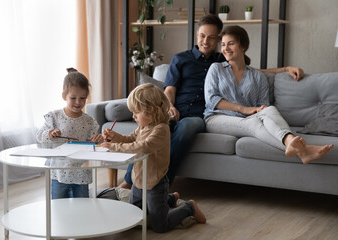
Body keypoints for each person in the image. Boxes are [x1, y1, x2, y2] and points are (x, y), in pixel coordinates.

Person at [119, 14, 305, 189]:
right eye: (202, 36)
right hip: (175, 110)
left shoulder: (221, 59)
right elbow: (169, 90)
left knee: (186, 128)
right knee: (149, 130)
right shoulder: (180, 59)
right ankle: (129, 182)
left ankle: (162, 184)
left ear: (218, 39)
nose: (205, 41)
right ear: (197, 35)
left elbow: (252, 70)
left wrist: (285, 68)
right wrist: (170, 108)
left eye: (211, 37)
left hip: (199, 116)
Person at [204, 25, 334, 164]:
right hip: (217, 118)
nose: (225, 48)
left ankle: (293, 144)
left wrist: (286, 69)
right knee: (253, 123)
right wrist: (244, 109)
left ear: (243, 46)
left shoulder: (258, 76)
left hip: (247, 119)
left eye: (231, 43)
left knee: (270, 109)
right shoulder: (216, 69)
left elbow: (263, 108)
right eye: (223, 44)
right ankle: (303, 150)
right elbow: (212, 100)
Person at [101, 83, 206, 232]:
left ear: (151, 111)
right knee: (133, 217)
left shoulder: (161, 130)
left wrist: (114, 147)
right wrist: (114, 137)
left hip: (155, 183)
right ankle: (170, 198)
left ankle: (189, 208)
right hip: (138, 180)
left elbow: (142, 147)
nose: (133, 116)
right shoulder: (143, 126)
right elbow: (131, 139)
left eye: (137, 112)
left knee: (160, 225)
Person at [36, 68, 104, 199]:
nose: (78, 102)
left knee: (82, 205)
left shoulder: (89, 121)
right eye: (73, 98)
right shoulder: (54, 117)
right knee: (58, 205)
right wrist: (49, 133)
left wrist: (98, 139)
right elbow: (39, 136)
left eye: (82, 98)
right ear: (64, 96)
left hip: (82, 173)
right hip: (59, 173)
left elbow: (94, 144)